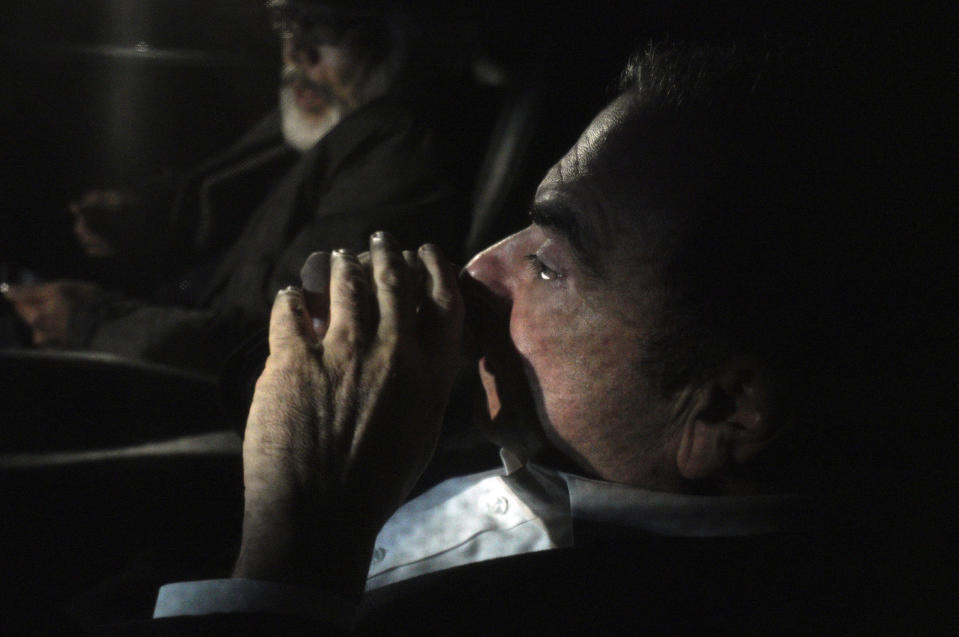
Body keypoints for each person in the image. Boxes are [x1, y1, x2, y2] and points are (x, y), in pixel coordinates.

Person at [100, 39, 896, 635]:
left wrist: (298, 543)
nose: (478, 268)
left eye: (550, 265)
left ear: (724, 407)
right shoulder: (516, 438)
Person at [2, 0, 464, 373]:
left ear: (401, 32)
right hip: (175, 314)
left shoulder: (399, 147)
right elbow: (218, 197)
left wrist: (89, 324)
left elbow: (281, 352)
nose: (294, 49)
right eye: (285, 18)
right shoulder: (324, 116)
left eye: (324, 24)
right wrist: (142, 219)